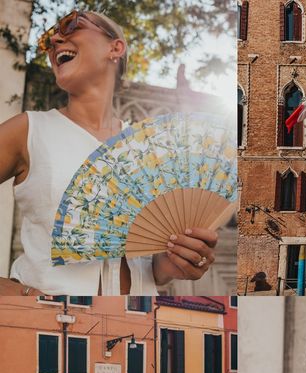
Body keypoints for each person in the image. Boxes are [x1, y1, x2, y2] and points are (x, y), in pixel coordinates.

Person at [0, 10, 218, 296]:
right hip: (47, 325)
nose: (55, 39)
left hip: (137, 323)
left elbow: (150, 266)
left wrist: (175, 262)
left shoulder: (148, 149)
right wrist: (17, 295)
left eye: (71, 25)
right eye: (48, 41)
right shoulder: (28, 130)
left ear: (115, 47)